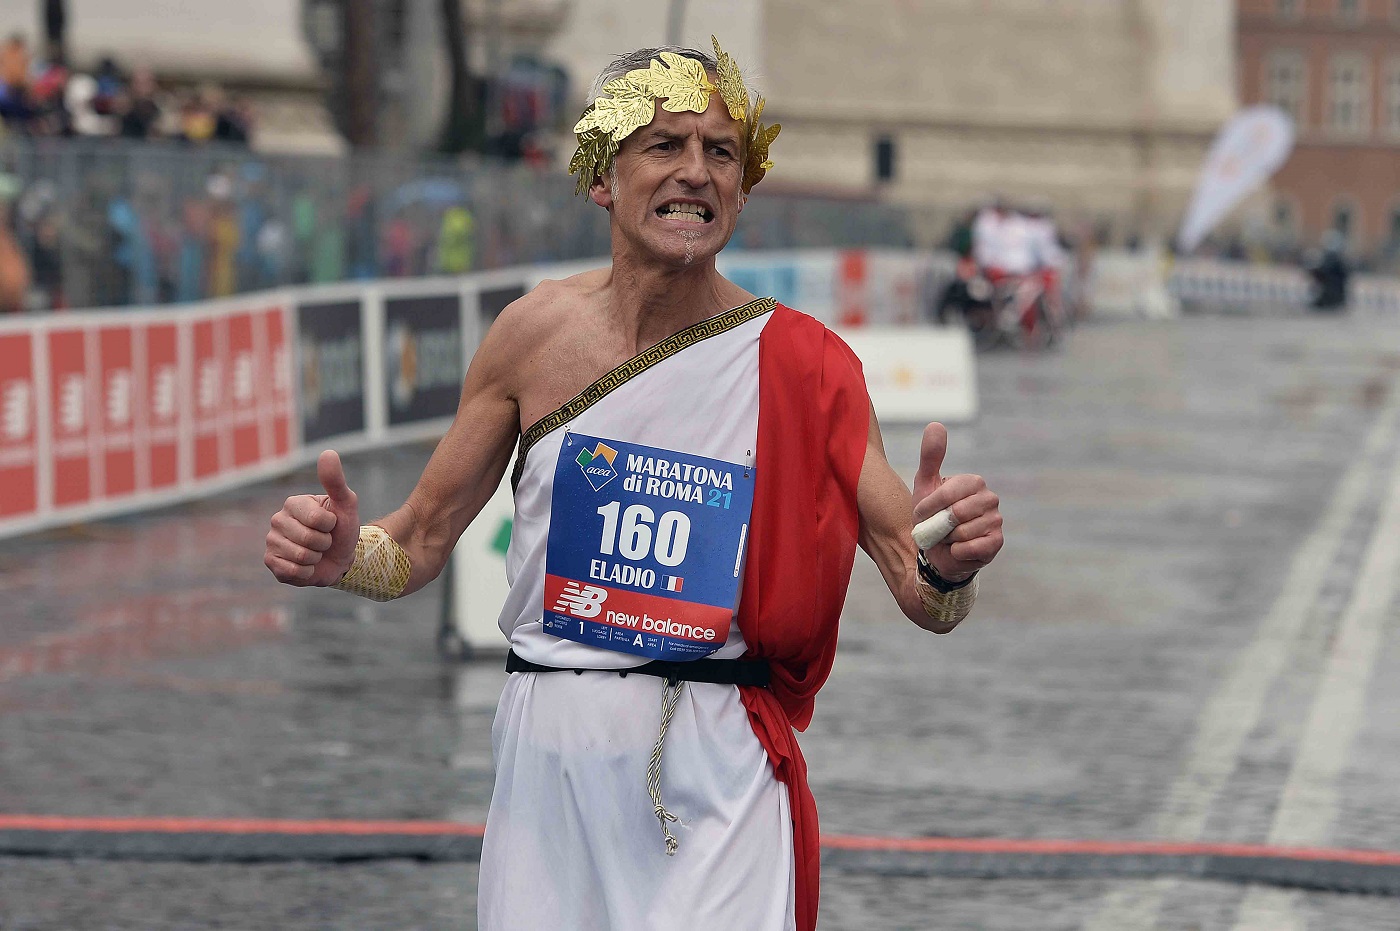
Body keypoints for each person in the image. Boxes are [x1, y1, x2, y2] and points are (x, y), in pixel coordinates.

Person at [264, 39, 1003, 931]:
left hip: (718, 774)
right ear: (601, 178)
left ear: (742, 187)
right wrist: (347, 553)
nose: (696, 171)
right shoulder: (532, 336)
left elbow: (922, 589)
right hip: (548, 767)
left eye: (721, 152)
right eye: (664, 145)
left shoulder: (807, 365)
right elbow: (416, 541)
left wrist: (950, 559)